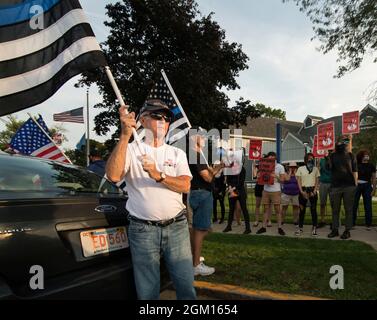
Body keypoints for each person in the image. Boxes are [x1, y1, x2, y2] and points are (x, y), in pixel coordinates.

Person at [106, 99, 196, 300]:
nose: (163, 121)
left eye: (166, 118)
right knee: (147, 290)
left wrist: (159, 175)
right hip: (143, 229)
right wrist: (124, 136)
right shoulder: (130, 150)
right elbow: (113, 176)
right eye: (157, 116)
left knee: (185, 284)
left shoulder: (176, 153)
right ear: (143, 120)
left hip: (176, 227)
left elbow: (185, 185)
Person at [188, 129, 225, 277]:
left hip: (198, 193)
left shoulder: (197, 154)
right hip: (201, 194)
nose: (204, 138)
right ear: (193, 137)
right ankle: (196, 264)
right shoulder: (195, 155)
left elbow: (209, 174)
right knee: (201, 230)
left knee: (197, 229)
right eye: (201, 135)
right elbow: (208, 178)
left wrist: (218, 168)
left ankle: (194, 258)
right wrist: (215, 171)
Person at [328, 135, 358, 240]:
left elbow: (355, 170)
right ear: (337, 142)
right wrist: (329, 156)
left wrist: (355, 184)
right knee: (335, 209)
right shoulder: (332, 156)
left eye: (345, 141)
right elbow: (329, 168)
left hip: (349, 186)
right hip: (336, 186)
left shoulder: (351, 155)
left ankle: (347, 230)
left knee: (348, 209)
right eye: (341, 141)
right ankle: (335, 230)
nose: (343, 143)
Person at [256, 152, 286, 236]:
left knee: (277, 210)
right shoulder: (264, 165)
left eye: (273, 158)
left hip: (276, 191)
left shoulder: (280, 167)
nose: (271, 159)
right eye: (270, 158)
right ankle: (263, 227)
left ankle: (279, 228)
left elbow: (283, 180)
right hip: (266, 190)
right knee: (265, 209)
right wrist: (259, 176)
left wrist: (275, 176)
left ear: (275, 158)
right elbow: (259, 177)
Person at [296, 153, 320, 236]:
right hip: (303, 190)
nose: (310, 159)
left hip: (312, 191)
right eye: (309, 158)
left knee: (313, 210)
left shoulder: (315, 169)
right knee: (302, 210)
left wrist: (314, 190)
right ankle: (300, 228)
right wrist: (301, 191)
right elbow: (298, 180)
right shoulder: (300, 168)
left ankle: (314, 228)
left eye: (312, 158)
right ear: (306, 159)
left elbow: (317, 181)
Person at [223, 164, 252, 234]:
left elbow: (241, 182)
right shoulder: (229, 169)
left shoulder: (242, 169)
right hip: (231, 191)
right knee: (231, 209)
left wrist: (233, 188)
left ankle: (248, 228)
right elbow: (228, 180)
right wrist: (229, 187)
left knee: (244, 209)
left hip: (240, 191)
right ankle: (229, 226)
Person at [353, 150, 376, 230]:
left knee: (368, 205)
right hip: (357, 186)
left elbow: (373, 178)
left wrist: (374, 189)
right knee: (354, 204)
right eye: (365, 155)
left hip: (367, 186)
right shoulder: (356, 165)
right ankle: (352, 223)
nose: (367, 156)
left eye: (368, 155)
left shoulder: (371, 165)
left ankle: (368, 224)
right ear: (361, 156)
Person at [253, 159, 272, 227]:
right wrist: (254, 166)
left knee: (267, 205)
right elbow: (255, 176)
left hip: (266, 187)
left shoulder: (268, 169)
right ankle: (256, 220)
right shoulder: (257, 169)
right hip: (258, 187)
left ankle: (269, 220)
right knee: (257, 205)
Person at [280, 162, 300, 227]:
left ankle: (295, 221)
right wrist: (290, 172)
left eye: (294, 167)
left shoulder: (298, 174)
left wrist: (295, 173)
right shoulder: (286, 173)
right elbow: (287, 179)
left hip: (296, 193)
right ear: (289, 168)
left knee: (296, 207)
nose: (293, 168)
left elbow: (298, 180)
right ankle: (282, 220)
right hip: (286, 193)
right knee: (284, 207)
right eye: (291, 167)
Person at [318, 152, 332, 228]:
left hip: (332, 184)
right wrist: (318, 163)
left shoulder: (334, 159)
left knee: (334, 204)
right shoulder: (322, 160)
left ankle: (334, 221)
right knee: (322, 203)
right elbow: (318, 171)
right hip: (323, 183)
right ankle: (322, 220)